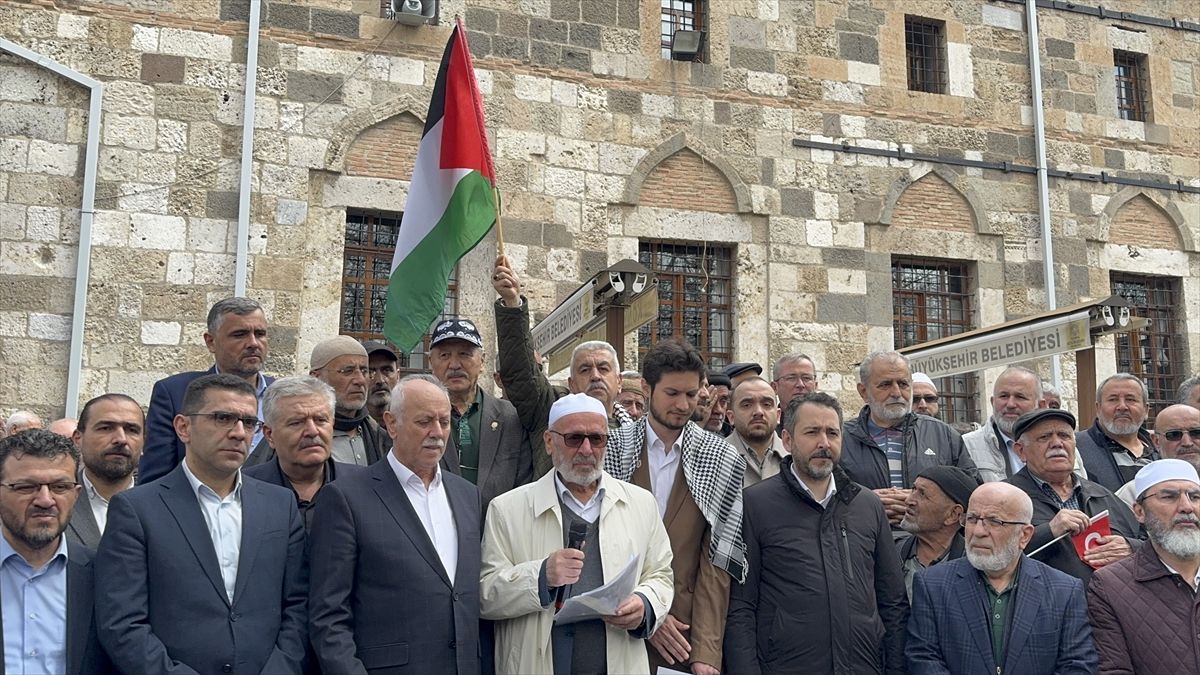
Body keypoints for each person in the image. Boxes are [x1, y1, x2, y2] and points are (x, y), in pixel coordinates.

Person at [96, 374, 308, 675]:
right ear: (183, 427)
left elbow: (298, 606)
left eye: (248, 423)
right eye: (223, 418)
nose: (238, 433)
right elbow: (122, 622)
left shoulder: (280, 505)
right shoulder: (137, 509)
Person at [480, 393, 674, 674]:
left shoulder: (641, 504)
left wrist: (645, 604)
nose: (586, 449)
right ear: (549, 442)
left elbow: (661, 575)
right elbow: (485, 595)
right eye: (573, 438)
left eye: (596, 439)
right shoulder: (508, 509)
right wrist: (540, 576)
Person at [309, 374, 481, 674]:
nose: (437, 433)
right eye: (424, 421)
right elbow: (328, 615)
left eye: (444, 421)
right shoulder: (346, 497)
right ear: (391, 424)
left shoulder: (468, 495)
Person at [725, 393, 908, 675]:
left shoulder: (866, 505)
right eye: (812, 432)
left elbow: (892, 601)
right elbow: (741, 606)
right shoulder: (755, 504)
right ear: (787, 440)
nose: (824, 443)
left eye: (832, 433)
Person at [605, 339, 746, 675]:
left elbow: (718, 562)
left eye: (691, 394)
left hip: (683, 638)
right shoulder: (612, 448)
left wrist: (707, 651)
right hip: (614, 625)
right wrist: (650, 614)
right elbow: (601, 546)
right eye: (672, 393)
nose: (683, 404)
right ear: (645, 387)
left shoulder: (722, 457)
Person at [905, 482, 1097, 674]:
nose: (978, 531)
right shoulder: (932, 584)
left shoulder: (1064, 590)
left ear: (1024, 535)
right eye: (972, 519)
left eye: (994, 521)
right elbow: (923, 659)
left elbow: (1077, 665)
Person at [492, 255, 639, 478]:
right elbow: (521, 375)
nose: (595, 376)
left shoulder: (637, 434)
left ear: (619, 381)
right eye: (585, 370)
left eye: (603, 368)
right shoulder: (549, 409)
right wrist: (513, 305)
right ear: (571, 383)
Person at [0, 429, 112, 674]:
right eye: (26, 487)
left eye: (60, 486)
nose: (45, 500)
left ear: (76, 494)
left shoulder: (102, 575)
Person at [140, 297, 272, 483]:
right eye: (239, 334)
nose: (253, 343)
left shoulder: (283, 397)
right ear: (211, 342)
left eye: (260, 334)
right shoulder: (174, 393)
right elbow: (155, 479)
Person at [1088, 459, 1200, 673]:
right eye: (1169, 496)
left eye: (1195, 496)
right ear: (1139, 512)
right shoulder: (1111, 587)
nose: (1187, 507)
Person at [841, 351, 976, 526]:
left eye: (903, 384)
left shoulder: (943, 434)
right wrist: (865, 500)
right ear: (863, 391)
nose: (896, 392)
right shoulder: (840, 437)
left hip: (929, 545)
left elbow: (972, 489)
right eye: (885, 385)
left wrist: (923, 501)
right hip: (863, 542)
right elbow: (822, 491)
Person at [1005, 408, 1141, 581]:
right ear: (1021, 451)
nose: (1057, 443)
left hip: (1109, 603)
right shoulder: (1005, 498)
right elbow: (990, 554)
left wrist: (1131, 547)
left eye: (1064, 436)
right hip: (1042, 604)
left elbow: (1149, 544)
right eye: (1044, 437)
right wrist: (1049, 531)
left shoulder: (1103, 495)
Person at [428, 318, 533, 512]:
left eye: (465, 355)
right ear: (431, 362)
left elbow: (525, 488)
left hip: (496, 533)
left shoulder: (511, 418)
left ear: (482, 361)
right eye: (444, 355)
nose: (454, 365)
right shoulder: (419, 420)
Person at [244, 376, 364, 531]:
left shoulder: (363, 487)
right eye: (296, 422)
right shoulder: (244, 490)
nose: (312, 431)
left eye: (321, 420)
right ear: (269, 435)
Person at [963, 366, 1086, 482]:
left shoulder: (1063, 446)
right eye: (1004, 396)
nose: (1010, 404)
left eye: (1020, 397)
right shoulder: (968, 446)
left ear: (1041, 405)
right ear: (992, 402)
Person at [66, 394, 143, 550]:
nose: (121, 439)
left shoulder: (166, 507)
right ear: (78, 439)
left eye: (132, 430)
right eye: (106, 428)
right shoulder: (55, 501)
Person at [298, 335, 388, 467]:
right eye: (347, 371)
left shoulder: (380, 437)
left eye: (364, 371)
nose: (360, 380)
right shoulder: (296, 437)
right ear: (316, 378)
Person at [894, 466, 975, 600]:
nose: (908, 501)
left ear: (953, 514)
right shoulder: (892, 552)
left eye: (922, 494)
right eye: (913, 489)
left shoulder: (973, 565)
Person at [1076, 373, 1157, 492]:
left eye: (1130, 399)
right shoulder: (1077, 447)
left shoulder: (1160, 448)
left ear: (1146, 410)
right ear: (1098, 408)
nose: (1122, 407)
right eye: (1113, 400)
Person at [1115, 403, 1200, 505]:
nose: (1187, 443)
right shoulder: (1133, 493)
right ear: (1156, 441)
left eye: (1196, 433)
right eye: (1174, 435)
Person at [725, 377, 788, 487]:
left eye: (767, 404)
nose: (758, 412)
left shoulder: (796, 459)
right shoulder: (713, 460)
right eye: (747, 405)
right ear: (731, 417)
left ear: (778, 415)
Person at [363, 340, 399, 428]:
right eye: (370, 372)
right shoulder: (349, 429)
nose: (380, 380)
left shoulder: (412, 421)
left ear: (398, 376)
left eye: (386, 370)